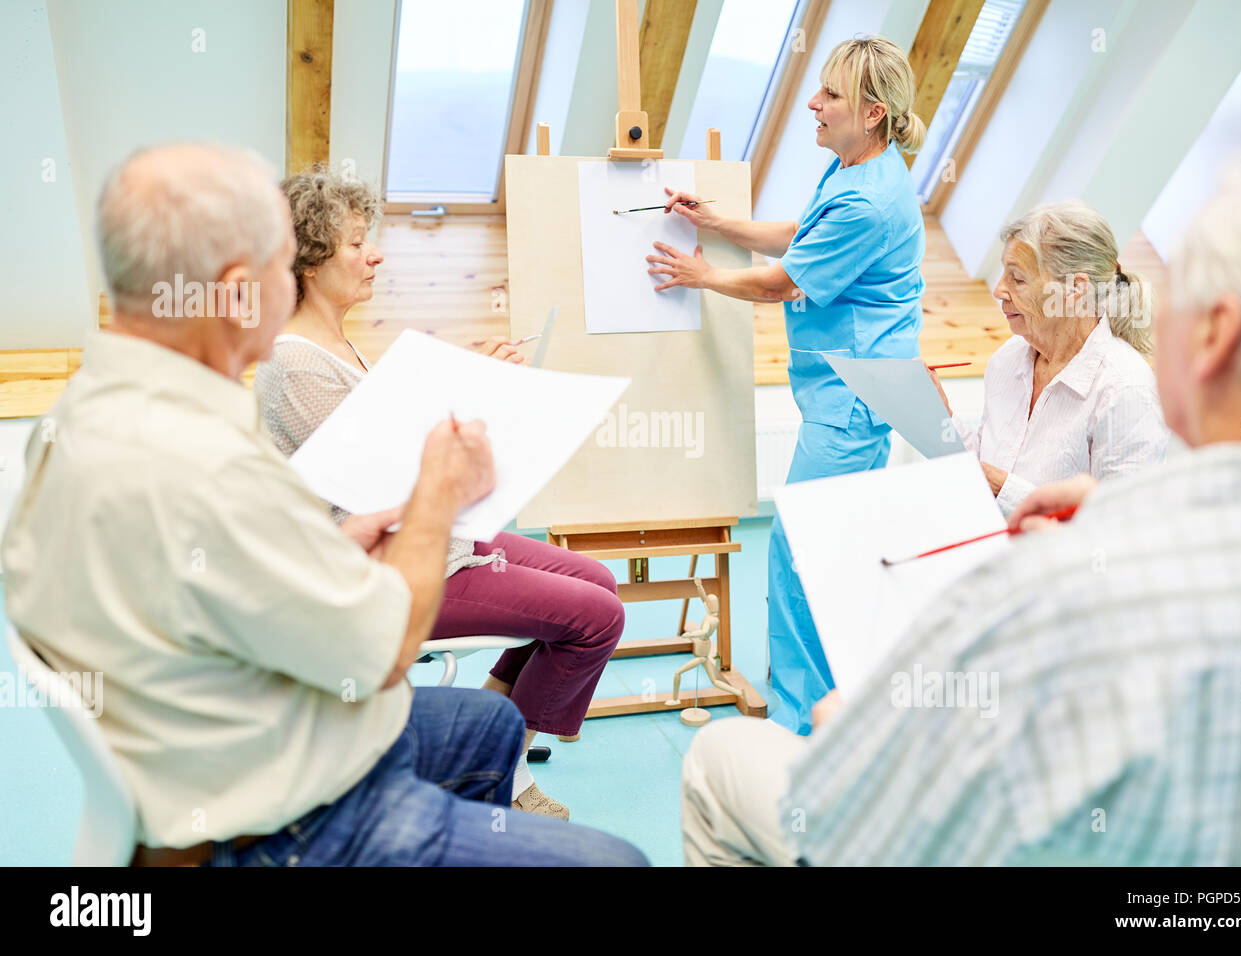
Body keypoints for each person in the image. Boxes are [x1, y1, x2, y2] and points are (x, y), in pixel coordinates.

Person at [1, 142, 647, 866]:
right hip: (287, 815)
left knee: (491, 725)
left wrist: (328, 554)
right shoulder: (209, 463)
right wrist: (435, 501)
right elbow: (381, 652)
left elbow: (214, 579)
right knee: (619, 862)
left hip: (232, 734)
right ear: (244, 288)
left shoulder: (84, 415)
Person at [678, 143, 1241, 866]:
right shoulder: (1018, 372)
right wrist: (945, 427)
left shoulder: (1119, 440)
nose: (1000, 290)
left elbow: (933, 805)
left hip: (987, 673)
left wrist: (855, 733)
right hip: (979, 580)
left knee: (724, 755)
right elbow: (984, 452)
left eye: (1016, 277)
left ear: (1216, 333)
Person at [254, 168, 626, 820]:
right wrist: (472, 389)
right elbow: (380, 482)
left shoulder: (335, 344)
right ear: (309, 261)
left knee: (599, 580)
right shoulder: (295, 362)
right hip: (396, 565)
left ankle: (483, 750)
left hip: (440, 539)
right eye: (354, 244)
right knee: (597, 619)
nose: (374, 255)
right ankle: (501, 776)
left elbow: (387, 437)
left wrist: (466, 373)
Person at [645, 36, 928, 734]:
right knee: (823, 552)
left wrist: (700, 273)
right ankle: (827, 709)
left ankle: (806, 726)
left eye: (828, 94)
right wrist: (717, 222)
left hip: (856, 397)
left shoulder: (869, 198)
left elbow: (785, 281)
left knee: (800, 556)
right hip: (845, 391)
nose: (811, 103)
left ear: (871, 111)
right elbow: (802, 235)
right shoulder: (856, 168)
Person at [929, 201, 1169, 514]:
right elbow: (982, 469)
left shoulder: (1126, 390)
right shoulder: (1007, 360)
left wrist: (1006, 490)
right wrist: (939, 418)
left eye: (1017, 278)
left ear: (1075, 290)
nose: (999, 290)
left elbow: (1122, 524)